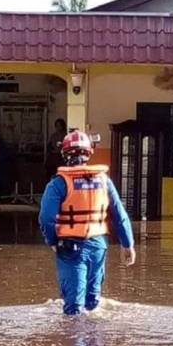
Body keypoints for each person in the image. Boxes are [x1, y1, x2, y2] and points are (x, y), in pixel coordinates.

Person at [39, 130, 136, 315]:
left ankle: (74, 341)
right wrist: (128, 244)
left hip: (70, 248)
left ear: (64, 154)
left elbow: (45, 218)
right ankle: (94, 342)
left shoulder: (58, 184)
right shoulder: (104, 181)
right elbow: (119, 214)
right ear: (89, 152)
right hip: (98, 246)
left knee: (73, 308)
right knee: (92, 303)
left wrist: (51, 241)